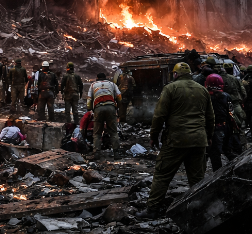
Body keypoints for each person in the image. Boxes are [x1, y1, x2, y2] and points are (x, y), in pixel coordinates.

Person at [138, 63, 214, 219]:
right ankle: (200, 211)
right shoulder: (202, 89)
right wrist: (209, 136)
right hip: (199, 139)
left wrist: (154, 136)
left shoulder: (170, 88)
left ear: (175, 74)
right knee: (197, 178)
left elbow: (159, 115)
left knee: (162, 174)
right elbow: (210, 117)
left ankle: (152, 209)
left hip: (176, 140)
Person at [86, 72, 121, 159]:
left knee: (97, 133)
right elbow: (119, 96)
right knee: (113, 132)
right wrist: (117, 107)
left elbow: (89, 99)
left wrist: (90, 109)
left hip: (98, 108)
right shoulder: (112, 84)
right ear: (106, 78)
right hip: (111, 107)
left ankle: (96, 153)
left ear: (97, 78)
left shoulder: (93, 85)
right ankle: (116, 153)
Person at [205, 73, 233, 171]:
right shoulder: (226, 96)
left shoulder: (206, 97)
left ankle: (218, 174)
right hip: (225, 127)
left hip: (213, 128)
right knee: (228, 150)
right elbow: (231, 113)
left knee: (214, 153)